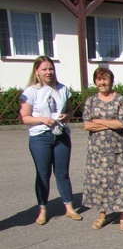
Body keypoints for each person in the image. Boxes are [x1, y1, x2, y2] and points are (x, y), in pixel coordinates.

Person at [19, 56, 81, 225]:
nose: (48, 72)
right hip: (40, 137)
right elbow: (24, 118)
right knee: (43, 175)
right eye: (44, 69)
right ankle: (42, 210)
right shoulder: (31, 91)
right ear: (37, 71)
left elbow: (70, 112)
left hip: (61, 135)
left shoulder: (62, 89)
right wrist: (43, 120)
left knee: (62, 174)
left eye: (51, 69)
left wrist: (66, 116)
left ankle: (69, 208)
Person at [81, 67, 123, 230]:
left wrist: (99, 121)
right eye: (99, 79)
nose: (102, 82)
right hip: (97, 151)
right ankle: (103, 214)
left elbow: (121, 123)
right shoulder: (91, 101)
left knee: (119, 182)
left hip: (117, 148)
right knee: (100, 183)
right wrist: (109, 122)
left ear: (111, 80)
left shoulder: (120, 99)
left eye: (105, 79)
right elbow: (87, 125)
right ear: (95, 81)